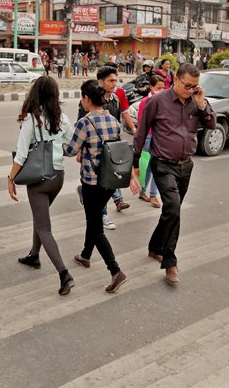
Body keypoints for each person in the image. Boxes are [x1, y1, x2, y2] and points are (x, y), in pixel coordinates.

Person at [130, 63, 216, 285]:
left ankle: (155, 247)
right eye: (187, 85)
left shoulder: (197, 102)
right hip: (163, 164)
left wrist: (201, 102)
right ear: (175, 80)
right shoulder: (157, 102)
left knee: (171, 210)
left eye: (195, 87)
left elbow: (212, 123)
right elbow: (140, 133)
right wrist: (135, 163)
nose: (190, 90)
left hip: (186, 165)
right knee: (174, 209)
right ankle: (170, 262)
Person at [8, 76, 74, 294]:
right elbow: (71, 144)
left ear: (34, 94)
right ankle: (34, 255)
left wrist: (10, 179)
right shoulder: (61, 119)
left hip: (39, 179)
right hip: (58, 177)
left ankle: (64, 274)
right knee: (41, 217)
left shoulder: (31, 121)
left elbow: (21, 156)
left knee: (44, 226)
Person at [64, 80, 128, 293]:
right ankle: (85, 255)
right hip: (110, 181)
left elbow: (71, 150)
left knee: (95, 225)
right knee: (92, 219)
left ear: (86, 99)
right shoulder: (113, 120)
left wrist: (61, 140)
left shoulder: (85, 122)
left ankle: (115, 270)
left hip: (91, 182)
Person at [77, 65, 133, 229]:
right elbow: (82, 128)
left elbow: (119, 120)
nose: (114, 83)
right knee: (100, 183)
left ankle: (115, 201)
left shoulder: (115, 99)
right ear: (101, 82)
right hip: (93, 150)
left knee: (109, 180)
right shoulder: (88, 103)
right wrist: (80, 151)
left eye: (116, 80)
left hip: (110, 150)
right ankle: (104, 215)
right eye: (110, 80)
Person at [137, 75, 166, 207]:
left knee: (156, 166)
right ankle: (143, 191)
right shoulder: (145, 102)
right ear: (151, 87)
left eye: (163, 87)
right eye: (158, 88)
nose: (161, 90)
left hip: (160, 137)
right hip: (149, 137)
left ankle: (153, 195)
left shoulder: (165, 101)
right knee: (147, 166)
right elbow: (141, 124)